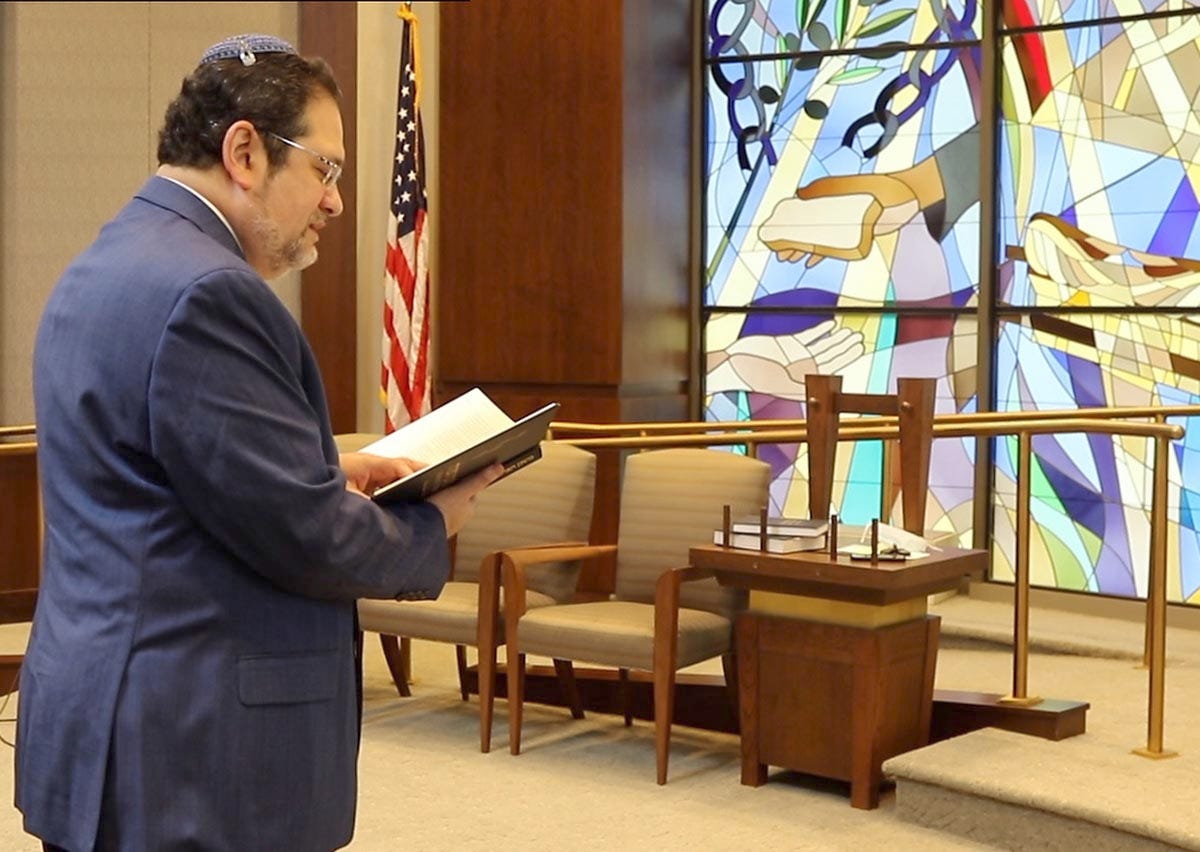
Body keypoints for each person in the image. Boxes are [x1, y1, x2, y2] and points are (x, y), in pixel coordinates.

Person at [15, 34, 500, 852]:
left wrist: (323, 467)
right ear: (245, 151)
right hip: (193, 760)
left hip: (114, 723)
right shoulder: (211, 294)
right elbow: (304, 537)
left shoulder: (108, 261)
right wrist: (431, 521)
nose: (336, 202)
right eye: (327, 169)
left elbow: (153, 466)